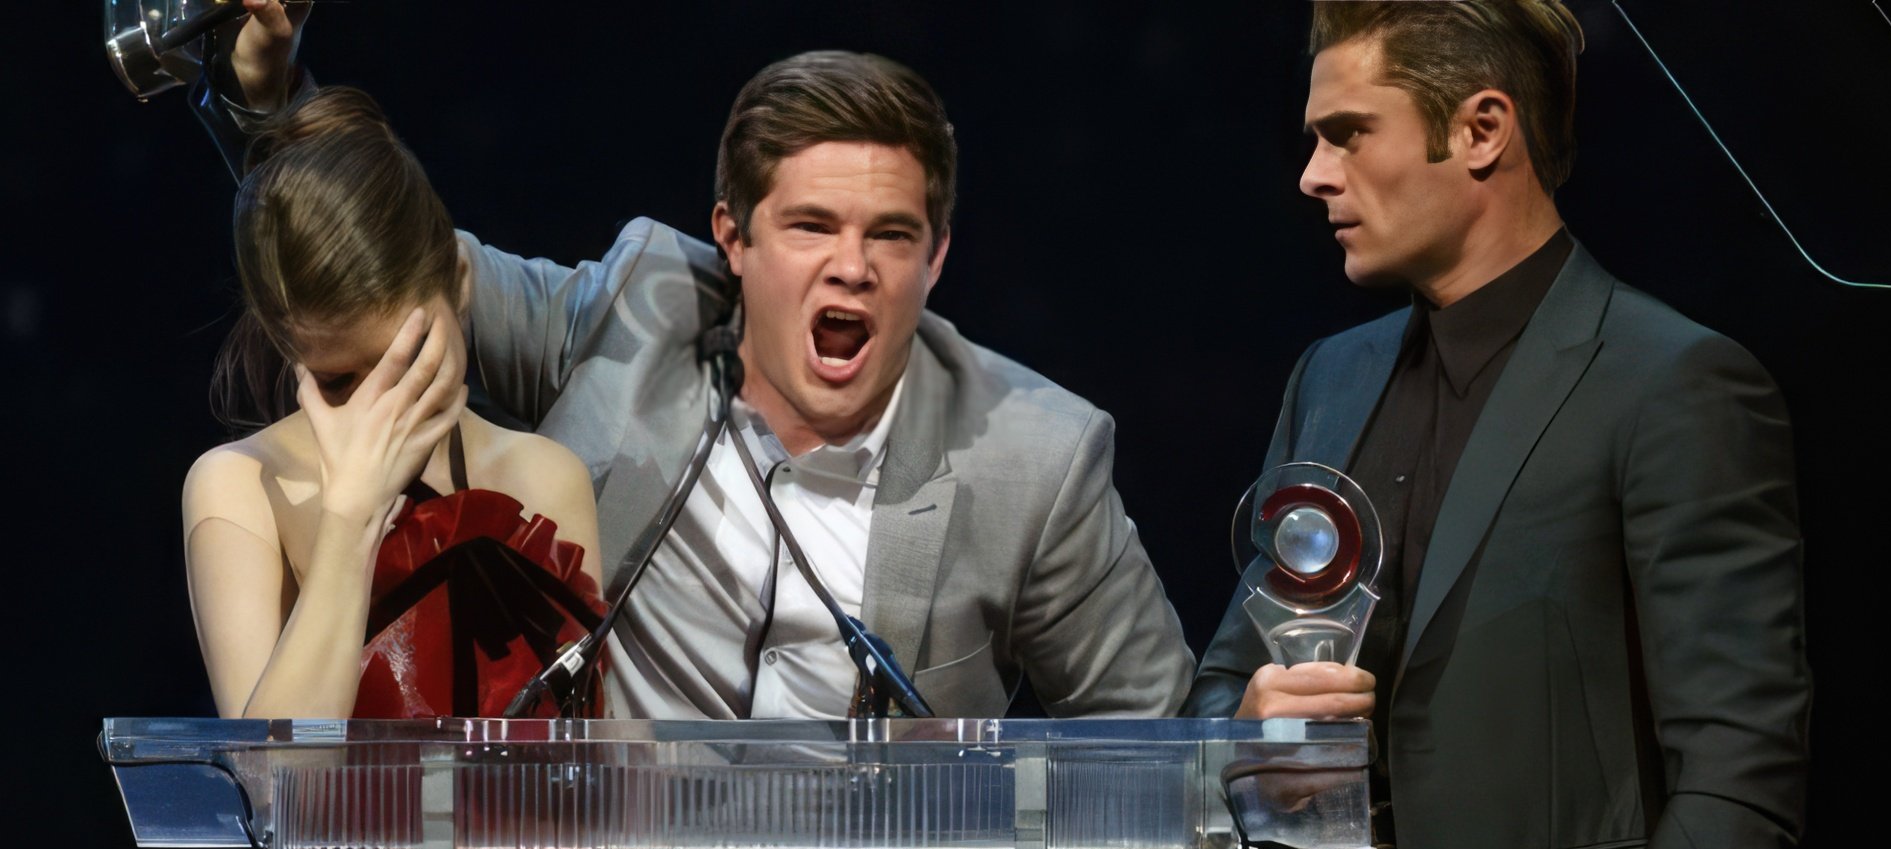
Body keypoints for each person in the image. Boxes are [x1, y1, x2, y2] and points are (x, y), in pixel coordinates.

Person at [196, 0, 1192, 721]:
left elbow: (1161, 760)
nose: (851, 268)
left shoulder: (1036, 457)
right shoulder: (635, 318)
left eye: (890, 235)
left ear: (937, 255)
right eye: (810, 226)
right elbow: (375, 273)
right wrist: (269, 93)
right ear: (733, 237)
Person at [1185, 4, 1810, 849]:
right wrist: (1247, 731)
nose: (1313, 177)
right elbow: (1223, 686)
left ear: (1482, 130)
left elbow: (1738, 767)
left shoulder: (1672, 385)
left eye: (1346, 134)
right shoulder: (1328, 379)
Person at [184, 85, 605, 721]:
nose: (385, 405)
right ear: (285, 344)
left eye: (405, 362)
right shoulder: (240, 486)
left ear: (459, 284)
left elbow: (591, 769)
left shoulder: (546, 476)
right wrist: (350, 518)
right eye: (339, 381)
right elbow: (277, 781)